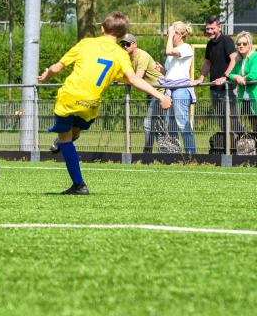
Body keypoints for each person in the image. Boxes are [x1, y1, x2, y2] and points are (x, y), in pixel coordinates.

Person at [37, 12, 171, 195]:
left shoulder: (86, 43)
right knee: (74, 132)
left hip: (68, 99)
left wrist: (46, 75)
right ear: (123, 35)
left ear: (102, 28)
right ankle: (67, 143)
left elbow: (58, 67)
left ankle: (78, 185)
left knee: (65, 139)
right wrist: (160, 96)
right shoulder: (121, 55)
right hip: (90, 105)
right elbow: (133, 79)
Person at [193, 16, 243, 133]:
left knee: (233, 122)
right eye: (207, 29)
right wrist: (200, 78)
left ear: (219, 28)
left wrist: (225, 77)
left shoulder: (226, 40)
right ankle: (229, 149)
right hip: (214, 89)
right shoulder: (210, 44)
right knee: (221, 122)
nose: (209, 31)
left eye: (212, 28)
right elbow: (207, 62)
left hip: (228, 88)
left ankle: (246, 145)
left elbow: (234, 59)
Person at [120, 33, 165, 153]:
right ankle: (161, 152)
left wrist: (122, 78)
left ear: (134, 44)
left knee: (149, 123)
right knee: (156, 125)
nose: (124, 47)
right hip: (151, 93)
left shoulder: (142, 56)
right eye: (122, 44)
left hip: (160, 91)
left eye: (127, 44)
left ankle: (149, 153)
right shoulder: (127, 58)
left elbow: (137, 78)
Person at [162, 21, 196, 154]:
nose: (168, 35)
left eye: (171, 32)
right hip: (170, 89)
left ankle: (190, 154)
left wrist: (170, 35)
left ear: (179, 35)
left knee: (182, 123)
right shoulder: (174, 51)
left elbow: (169, 51)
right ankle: (173, 153)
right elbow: (171, 70)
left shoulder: (186, 48)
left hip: (181, 90)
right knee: (170, 125)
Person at [228, 31, 257, 132]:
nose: (241, 46)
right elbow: (230, 74)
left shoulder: (255, 57)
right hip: (245, 100)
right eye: (238, 44)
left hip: (255, 97)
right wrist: (236, 76)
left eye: (244, 43)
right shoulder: (239, 60)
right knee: (253, 128)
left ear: (249, 44)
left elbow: (254, 74)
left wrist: (243, 78)